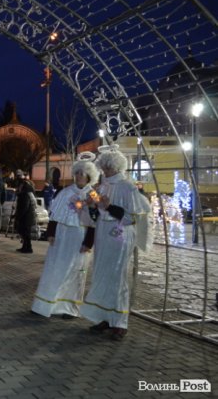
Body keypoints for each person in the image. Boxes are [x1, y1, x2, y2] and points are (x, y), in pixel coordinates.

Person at [80, 145, 152, 341]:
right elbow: (96, 213)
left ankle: (120, 322)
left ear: (116, 167)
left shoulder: (128, 187)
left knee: (118, 277)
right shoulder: (103, 186)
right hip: (104, 232)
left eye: (107, 168)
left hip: (120, 234)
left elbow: (132, 217)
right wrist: (92, 204)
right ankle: (105, 316)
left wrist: (109, 206)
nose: (104, 171)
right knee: (102, 274)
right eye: (103, 168)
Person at [31, 154, 99, 319]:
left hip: (79, 237)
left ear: (89, 176)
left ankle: (69, 308)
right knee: (55, 268)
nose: (79, 176)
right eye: (77, 173)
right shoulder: (65, 192)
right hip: (62, 235)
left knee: (75, 271)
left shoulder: (94, 195)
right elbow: (54, 215)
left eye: (82, 173)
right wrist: (51, 233)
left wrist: (88, 243)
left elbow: (96, 222)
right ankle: (47, 304)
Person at [14, 170, 37, 254]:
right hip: (27, 214)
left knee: (26, 232)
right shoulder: (26, 189)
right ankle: (25, 247)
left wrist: (19, 215)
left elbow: (25, 205)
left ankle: (28, 248)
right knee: (24, 232)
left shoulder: (25, 192)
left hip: (26, 215)